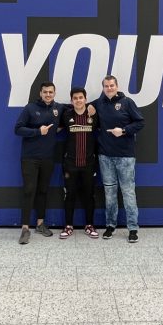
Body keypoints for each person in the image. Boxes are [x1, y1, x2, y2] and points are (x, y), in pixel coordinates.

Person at [93, 75, 145, 243]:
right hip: (105, 156)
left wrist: (123, 131)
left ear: (117, 86)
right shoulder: (98, 103)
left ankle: (133, 228)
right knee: (109, 193)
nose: (109, 88)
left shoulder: (127, 102)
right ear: (103, 88)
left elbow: (140, 122)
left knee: (128, 192)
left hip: (125, 157)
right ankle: (110, 226)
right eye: (106, 86)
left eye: (112, 85)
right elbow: (79, 105)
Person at [14, 82, 63, 244]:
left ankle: (40, 224)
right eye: (45, 92)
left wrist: (90, 108)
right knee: (29, 191)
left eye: (51, 92)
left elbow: (76, 109)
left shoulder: (59, 108)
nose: (48, 94)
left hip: (48, 158)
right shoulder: (30, 108)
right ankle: (25, 228)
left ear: (54, 93)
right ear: (40, 93)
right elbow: (18, 129)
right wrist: (37, 131)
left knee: (43, 191)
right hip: (30, 158)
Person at [59, 87, 100, 240]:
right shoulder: (66, 115)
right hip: (70, 164)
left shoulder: (94, 115)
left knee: (89, 195)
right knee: (69, 195)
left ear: (85, 99)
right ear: (71, 101)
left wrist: (92, 107)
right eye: (75, 98)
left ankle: (89, 225)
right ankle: (68, 226)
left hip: (89, 164)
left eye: (81, 97)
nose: (78, 100)